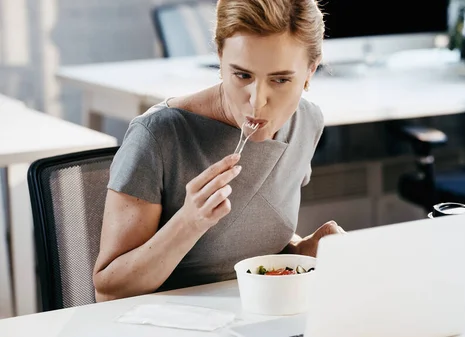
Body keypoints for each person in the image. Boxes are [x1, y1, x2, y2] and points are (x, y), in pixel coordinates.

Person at [92, 0, 345, 302]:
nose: (256, 101)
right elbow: (108, 289)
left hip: (257, 317)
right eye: (242, 76)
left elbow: (250, 244)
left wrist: (303, 251)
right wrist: (189, 222)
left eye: (280, 80)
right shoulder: (158, 135)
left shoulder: (306, 122)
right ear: (221, 60)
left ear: (309, 73)